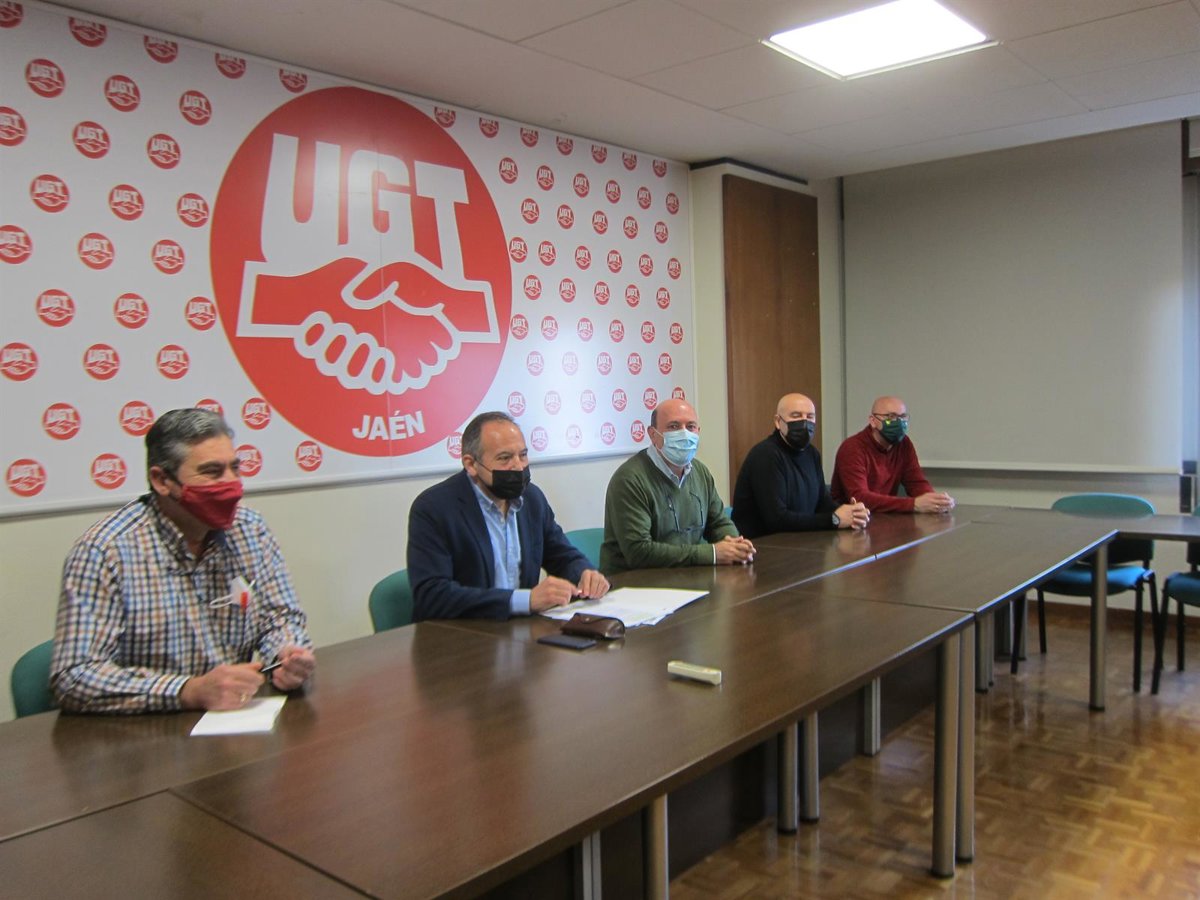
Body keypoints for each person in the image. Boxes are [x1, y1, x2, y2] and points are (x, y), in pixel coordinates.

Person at [51, 409, 315, 714]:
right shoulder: (104, 552)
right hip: (147, 730)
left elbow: (280, 618)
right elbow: (75, 676)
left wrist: (286, 654)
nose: (231, 484)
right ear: (162, 480)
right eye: (212, 472)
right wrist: (187, 690)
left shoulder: (250, 530)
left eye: (235, 468)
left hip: (235, 718)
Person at [408, 411, 609, 620]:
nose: (518, 466)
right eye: (505, 458)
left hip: (521, 630)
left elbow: (562, 555)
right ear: (471, 464)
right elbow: (432, 596)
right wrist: (523, 601)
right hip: (459, 633)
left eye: (523, 455)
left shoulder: (532, 499)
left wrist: (585, 574)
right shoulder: (434, 508)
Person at [601, 397, 754, 573]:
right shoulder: (630, 480)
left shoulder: (700, 472)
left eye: (691, 427)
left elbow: (718, 523)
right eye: (673, 426)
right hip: (633, 581)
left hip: (685, 574)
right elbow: (639, 552)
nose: (684, 434)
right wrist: (712, 554)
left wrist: (735, 545)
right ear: (653, 434)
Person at [732, 393, 870, 538]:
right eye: (796, 416)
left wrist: (851, 513)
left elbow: (822, 503)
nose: (804, 422)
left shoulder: (812, 454)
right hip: (763, 545)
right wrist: (834, 519)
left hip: (802, 541)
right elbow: (777, 520)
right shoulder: (766, 455)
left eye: (810, 417)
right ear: (778, 422)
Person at [830, 396, 955, 514]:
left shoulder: (904, 444)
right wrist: (913, 504)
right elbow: (860, 498)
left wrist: (936, 501)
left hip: (886, 518)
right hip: (852, 521)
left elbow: (916, 482)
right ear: (873, 421)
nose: (898, 422)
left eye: (903, 417)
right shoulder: (852, 448)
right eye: (891, 417)